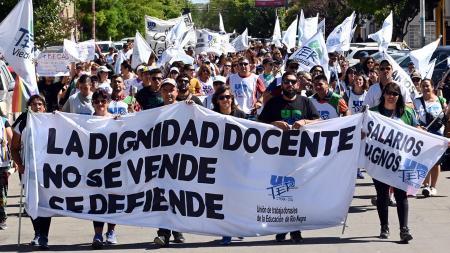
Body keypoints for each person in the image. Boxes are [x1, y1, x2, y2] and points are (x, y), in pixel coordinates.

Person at [259, 71, 320, 243]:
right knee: (281, 194)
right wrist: (274, 124)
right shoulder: (273, 103)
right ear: (282, 84)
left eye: (293, 82)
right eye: (286, 82)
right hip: (278, 156)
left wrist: (305, 122)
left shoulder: (306, 102)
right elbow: (259, 123)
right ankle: (282, 228)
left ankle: (295, 229)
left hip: (300, 156)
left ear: (298, 85)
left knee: (297, 194)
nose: (290, 85)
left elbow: (319, 121)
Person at [369, 82, 416, 243]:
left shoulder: (407, 113)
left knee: (401, 194)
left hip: (401, 162)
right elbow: (364, 131)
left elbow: (418, 132)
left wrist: (439, 141)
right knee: (382, 195)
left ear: (399, 97)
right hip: (380, 161)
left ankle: (404, 229)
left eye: (395, 94)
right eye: (388, 93)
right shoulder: (373, 113)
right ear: (383, 94)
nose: (391, 96)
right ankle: (384, 227)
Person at [11, 95, 52, 249]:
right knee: (32, 202)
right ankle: (37, 233)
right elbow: (14, 148)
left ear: (44, 107)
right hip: (28, 171)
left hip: (47, 171)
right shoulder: (22, 123)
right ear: (29, 107)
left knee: (45, 203)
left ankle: (44, 236)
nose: (37, 107)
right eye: (34, 104)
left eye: (40, 104)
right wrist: (19, 164)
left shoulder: (51, 121)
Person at [152, 78, 186, 248]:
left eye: (171, 89)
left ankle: (177, 229)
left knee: (178, 196)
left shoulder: (187, 108)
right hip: (162, 161)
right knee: (163, 197)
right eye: (165, 90)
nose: (169, 93)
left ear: (177, 92)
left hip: (182, 161)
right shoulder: (154, 113)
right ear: (161, 93)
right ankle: (164, 233)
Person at [90, 89, 119, 248]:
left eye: (103, 101)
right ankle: (98, 234)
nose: (101, 104)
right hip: (95, 168)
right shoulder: (86, 121)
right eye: (97, 101)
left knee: (113, 200)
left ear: (108, 102)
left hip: (114, 166)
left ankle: (111, 232)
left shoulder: (115, 119)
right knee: (98, 202)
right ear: (93, 103)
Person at [413, 79, 449, 197]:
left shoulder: (440, 100)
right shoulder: (417, 101)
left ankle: (433, 187)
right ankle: (426, 185)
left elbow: (447, 116)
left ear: (433, 87)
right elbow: (413, 116)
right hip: (423, 134)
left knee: (435, 161)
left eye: (427, 86)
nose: (425, 88)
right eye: (423, 86)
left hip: (438, 134)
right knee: (423, 161)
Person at [0, 112, 12, 230]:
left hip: (2, 163)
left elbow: (11, 139)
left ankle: (2, 218)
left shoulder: (3, 121)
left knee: (1, 191)